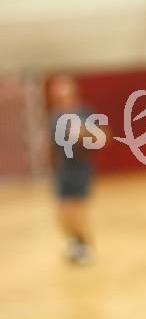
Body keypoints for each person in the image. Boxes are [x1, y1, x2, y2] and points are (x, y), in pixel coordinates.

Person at [49, 75, 95, 265]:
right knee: (62, 213)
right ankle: (76, 243)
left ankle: (84, 245)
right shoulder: (54, 117)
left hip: (80, 168)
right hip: (63, 169)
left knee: (76, 209)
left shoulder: (83, 113)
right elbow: (53, 146)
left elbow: (104, 136)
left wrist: (85, 133)